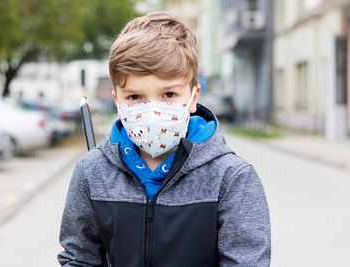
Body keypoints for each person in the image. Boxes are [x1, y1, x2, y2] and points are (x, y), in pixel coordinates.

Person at [58, 11, 271, 267]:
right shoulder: (91, 172)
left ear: (193, 98)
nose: (152, 110)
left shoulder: (232, 178)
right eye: (134, 97)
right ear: (117, 101)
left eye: (169, 94)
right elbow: (78, 258)